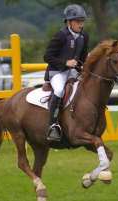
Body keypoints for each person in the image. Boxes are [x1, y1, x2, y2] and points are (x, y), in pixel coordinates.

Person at [44, 4, 89, 141]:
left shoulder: (84, 36)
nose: (81, 25)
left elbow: (82, 57)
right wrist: (65, 63)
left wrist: (83, 69)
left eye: (82, 21)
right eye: (77, 21)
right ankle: (52, 125)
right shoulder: (61, 36)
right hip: (57, 71)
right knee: (59, 91)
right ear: (69, 22)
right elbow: (47, 57)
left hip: (73, 72)